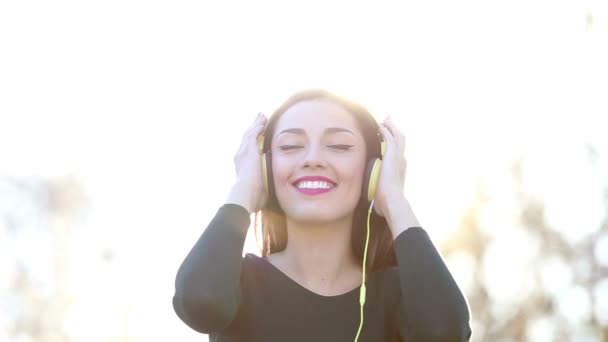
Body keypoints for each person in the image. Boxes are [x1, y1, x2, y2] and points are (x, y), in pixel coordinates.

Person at [172, 89, 472, 341]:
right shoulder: (237, 282)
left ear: (372, 171)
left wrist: (393, 198)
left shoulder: (397, 294)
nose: (312, 159)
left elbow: (445, 332)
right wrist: (244, 188)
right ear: (265, 168)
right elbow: (201, 301)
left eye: (338, 146)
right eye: (291, 146)